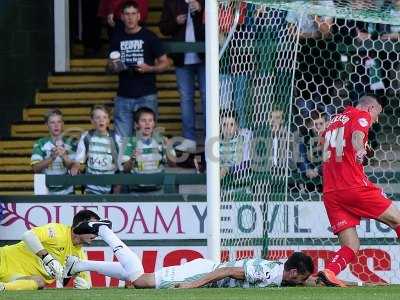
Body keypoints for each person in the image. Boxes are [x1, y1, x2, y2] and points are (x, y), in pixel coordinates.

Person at [63, 221, 314, 289]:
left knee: (142, 278)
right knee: (141, 281)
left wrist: (352, 284)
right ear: (293, 272)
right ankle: (105, 230)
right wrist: (191, 285)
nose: (303, 283)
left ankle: (78, 265)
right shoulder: (268, 272)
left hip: (206, 269)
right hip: (202, 272)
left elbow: (315, 280)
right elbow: (226, 271)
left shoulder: (283, 271)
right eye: (302, 279)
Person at [317, 95, 400, 287]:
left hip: (331, 192)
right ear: (370, 108)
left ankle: (329, 271)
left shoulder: (334, 122)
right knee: (397, 220)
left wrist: (363, 148)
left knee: (350, 245)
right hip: (353, 187)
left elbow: (335, 144)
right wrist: (361, 149)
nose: (376, 119)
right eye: (377, 114)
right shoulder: (361, 115)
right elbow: (356, 137)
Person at [0, 209, 108, 291]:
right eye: (93, 227)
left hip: (14, 277)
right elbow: (27, 236)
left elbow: (86, 283)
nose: (96, 233)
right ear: (80, 225)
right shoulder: (58, 232)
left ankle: (3, 287)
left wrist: (85, 285)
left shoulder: (79, 256)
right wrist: (49, 260)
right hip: (3, 259)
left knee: (39, 282)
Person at [108, 0, 170, 138]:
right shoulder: (116, 37)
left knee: (147, 138)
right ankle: (126, 161)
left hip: (146, 95)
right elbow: (110, 64)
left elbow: (165, 63)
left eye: (133, 14)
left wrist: (150, 69)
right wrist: (114, 66)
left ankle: (146, 161)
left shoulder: (149, 36)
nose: (130, 17)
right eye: (127, 14)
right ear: (122, 17)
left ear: (139, 16)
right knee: (122, 141)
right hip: (123, 95)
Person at [159, 0, 206, 152]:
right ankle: (189, 139)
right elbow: (163, 28)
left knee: (208, 98)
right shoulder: (172, 2)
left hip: (205, 58)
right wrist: (175, 21)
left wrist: (201, 8)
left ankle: (210, 137)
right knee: (186, 98)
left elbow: (220, 22)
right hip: (182, 59)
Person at [120, 107, 176, 193]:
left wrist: (168, 148)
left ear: (154, 124)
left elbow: (173, 164)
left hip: (158, 190)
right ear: (136, 125)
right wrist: (132, 159)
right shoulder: (129, 142)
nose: (147, 123)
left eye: (150, 120)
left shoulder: (162, 141)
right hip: (136, 191)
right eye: (143, 120)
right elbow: (125, 169)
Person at [71, 105, 122, 194]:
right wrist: (76, 167)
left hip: (110, 190)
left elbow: (121, 167)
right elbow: (78, 162)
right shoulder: (86, 137)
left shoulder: (115, 138)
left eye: (104, 117)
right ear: (92, 121)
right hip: (90, 190)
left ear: (108, 120)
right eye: (97, 117)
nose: (101, 120)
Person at [31, 109, 76, 195]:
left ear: (63, 124)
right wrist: (52, 157)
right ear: (46, 125)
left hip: (68, 193)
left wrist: (64, 156)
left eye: (59, 122)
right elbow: (35, 168)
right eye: (52, 122)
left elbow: (75, 169)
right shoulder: (40, 143)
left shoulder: (71, 142)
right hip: (46, 193)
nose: (56, 125)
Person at [220, 111, 251, 179]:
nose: (228, 129)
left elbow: (247, 164)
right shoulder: (218, 141)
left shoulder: (245, 137)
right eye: (224, 125)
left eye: (231, 124)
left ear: (237, 126)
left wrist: (228, 168)